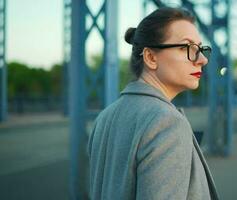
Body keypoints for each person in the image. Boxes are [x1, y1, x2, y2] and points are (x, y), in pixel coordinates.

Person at [88, 7, 219, 200]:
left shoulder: (105, 117)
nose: (202, 60)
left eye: (200, 49)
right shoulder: (168, 123)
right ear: (150, 57)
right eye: (187, 48)